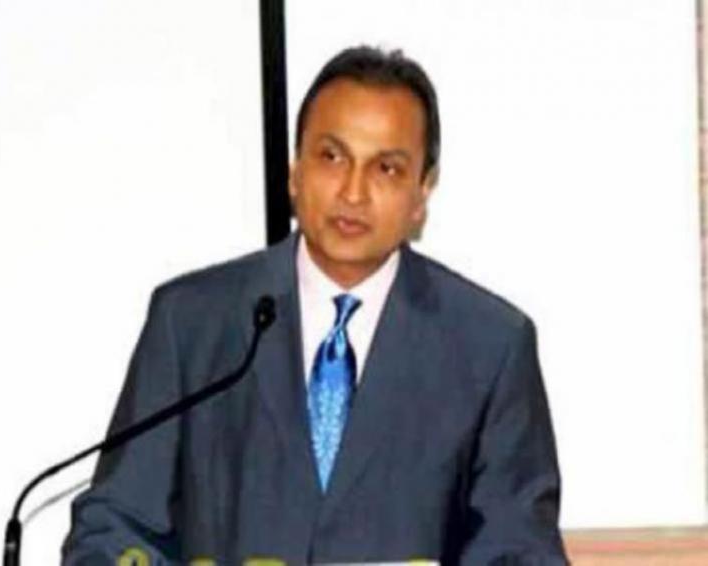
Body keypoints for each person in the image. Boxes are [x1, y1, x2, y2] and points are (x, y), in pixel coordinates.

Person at [62, 45, 568, 565]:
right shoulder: (191, 323)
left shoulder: (490, 346)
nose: (353, 191)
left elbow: (519, 549)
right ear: (295, 171)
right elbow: (114, 528)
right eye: (332, 157)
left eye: (387, 169)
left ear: (421, 194)